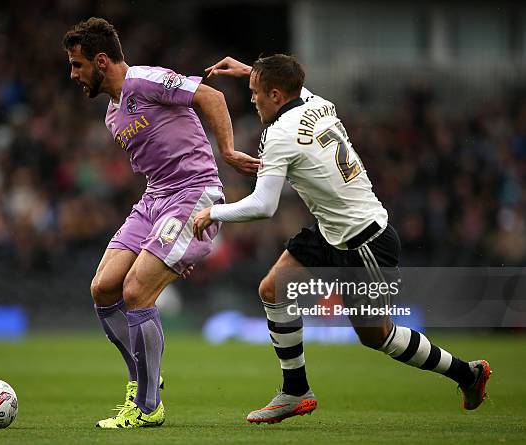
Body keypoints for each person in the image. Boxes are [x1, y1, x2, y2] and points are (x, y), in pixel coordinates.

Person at [193, 55, 491, 424]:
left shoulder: (279, 136)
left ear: (275, 94)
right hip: (332, 230)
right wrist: (247, 72)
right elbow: (290, 86)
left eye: (256, 93)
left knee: (378, 336)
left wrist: (213, 213)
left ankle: (468, 373)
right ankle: (295, 391)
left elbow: (264, 205)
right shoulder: (317, 102)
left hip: (364, 241)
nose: (252, 99)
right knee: (272, 289)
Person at [62, 19, 259, 429]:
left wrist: (227, 150)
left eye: (78, 65)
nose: (73, 75)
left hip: (193, 192)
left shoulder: (144, 81)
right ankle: (143, 376)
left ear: (101, 61)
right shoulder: (113, 115)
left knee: (136, 290)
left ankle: (148, 407)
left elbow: (211, 95)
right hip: (155, 199)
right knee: (103, 289)